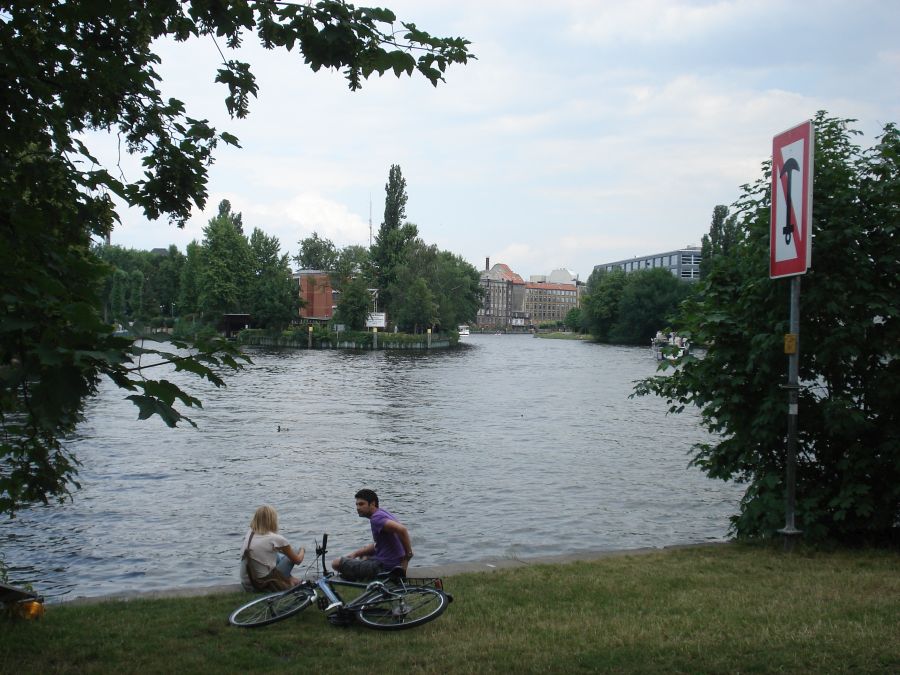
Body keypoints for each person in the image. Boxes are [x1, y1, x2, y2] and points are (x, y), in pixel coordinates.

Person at [331, 489, 413, 581]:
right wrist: (355, 553)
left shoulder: (376, 519)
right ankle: (360, 575)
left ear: (373, 504)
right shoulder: (382, 513)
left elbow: (402, 530)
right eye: (357, 504)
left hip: (385, 567)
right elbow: (378, 544)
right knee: (364, 556)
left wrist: (408, 555)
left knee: (336, 563)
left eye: (361, 504)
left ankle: (360, 577)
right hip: (393, 563)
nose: (358, 508)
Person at [239, 505, 305, 592]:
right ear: (272, 520)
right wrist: (303, 549)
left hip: (246, 584)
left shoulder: (250, 533)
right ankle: (289, 581)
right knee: (295, 552)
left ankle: (291, 579)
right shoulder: (276, 539)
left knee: (277, 555)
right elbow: (298, 561)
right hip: (262, 585)